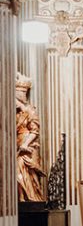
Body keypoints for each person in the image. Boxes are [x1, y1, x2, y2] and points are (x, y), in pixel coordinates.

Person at [16, 74, 46, 203]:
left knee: (27, 173)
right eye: (21, 92)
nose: (23, 95)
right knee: (17, 172)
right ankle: (20, 198)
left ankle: (29, 197)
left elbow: (35, 131)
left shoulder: (30, 110)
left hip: (27, 146)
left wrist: (25, 144)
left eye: (25, 92)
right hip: (17, 145)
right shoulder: (15, 111)